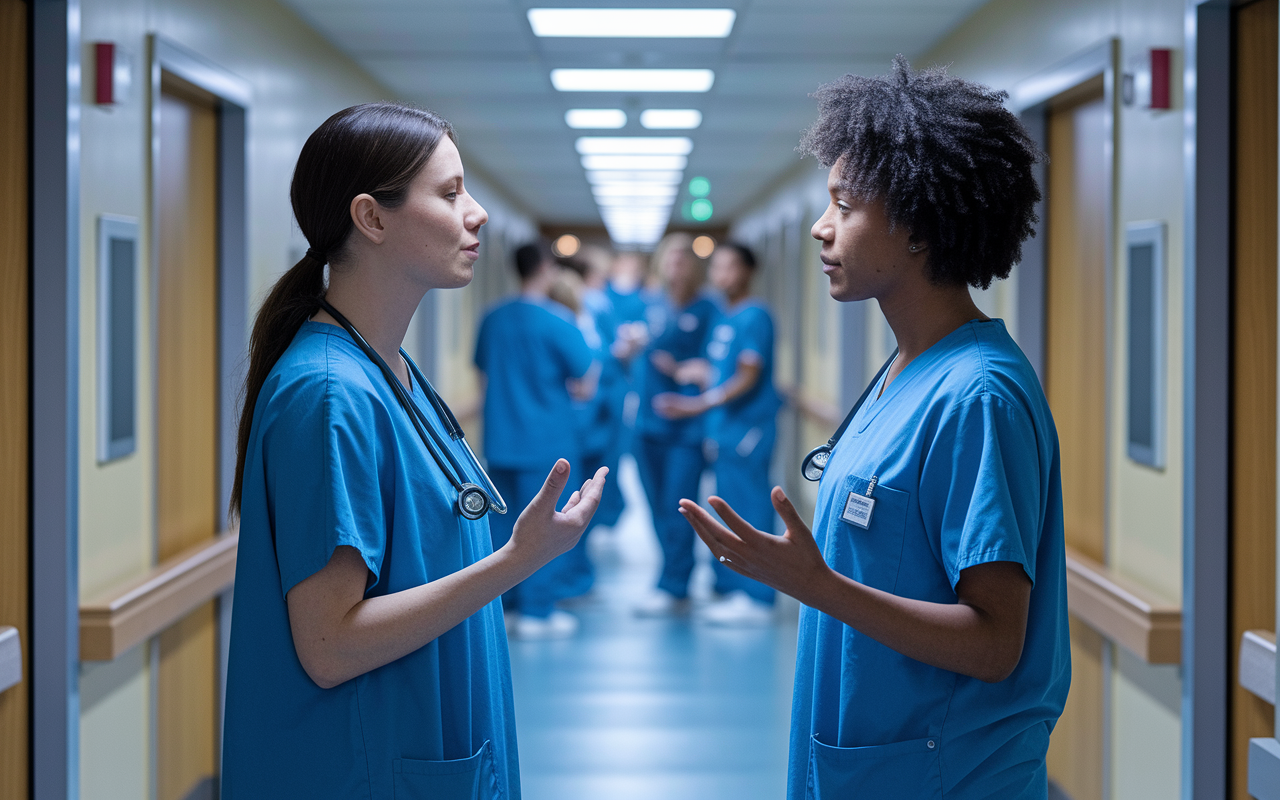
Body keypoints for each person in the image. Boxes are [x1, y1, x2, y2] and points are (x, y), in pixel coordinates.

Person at [678, 58, 1068, 799]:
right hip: (871, 758)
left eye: (845, 206)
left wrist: (815, 584)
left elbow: (995, 643)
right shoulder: (903, 371)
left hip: (944, 773)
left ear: (919, 224)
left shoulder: (977, 395)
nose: (823, 229)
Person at [222, 103, 607, 798]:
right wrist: (517, 561)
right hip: (364, 770)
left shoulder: (389, 370)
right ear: (371, 218)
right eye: (451, 192)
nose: (479, 213)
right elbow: (329, 644)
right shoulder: (331, 393)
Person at [654, 242, 781, 626]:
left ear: (745, 272)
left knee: (750, 509)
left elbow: (748, 375)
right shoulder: (727, 317)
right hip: (726, 431)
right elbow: (725, 368)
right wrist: (692, 370)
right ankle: (734, 586)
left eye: (728, 268)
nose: (719, 275)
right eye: (716, 267)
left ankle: (758, 596)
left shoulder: (755, 315)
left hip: (747, 431)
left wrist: (699, 403)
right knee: (729, 509)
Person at [475, 241, 597, 639]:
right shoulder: (559, 320)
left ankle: (503, 607)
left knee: (503, 529)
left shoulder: (492, 318)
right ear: (546, 268)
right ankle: (538, 611)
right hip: (546, 443)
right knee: (545, 527)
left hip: (501, 438)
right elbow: (585, 382)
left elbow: (484, 378)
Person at [632, 233, 720, 616]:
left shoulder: (709, 309)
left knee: (679, 504)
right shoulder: (650, 305)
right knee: (656, 506)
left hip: (687, 428)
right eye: (669, 259)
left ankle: (675, 583)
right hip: (648, 425)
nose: (675, 266)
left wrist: (687, 370)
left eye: (682, 260)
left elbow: (719, 364)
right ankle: (670, 573)